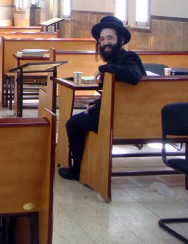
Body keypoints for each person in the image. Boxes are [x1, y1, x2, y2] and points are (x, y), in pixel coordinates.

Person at [58, 16, 146, 181]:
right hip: (117, 112)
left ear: (121, 39)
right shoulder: (115, 59)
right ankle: (89, 164)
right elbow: (118, 92)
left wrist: (105, 67)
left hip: (122, 117)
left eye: (110, 38)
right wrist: (97, 104)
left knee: (73, 124)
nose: (106, 43)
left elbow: (134, 76)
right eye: (102, 39)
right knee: (81, 119)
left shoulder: (129, 57)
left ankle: (77, 170)